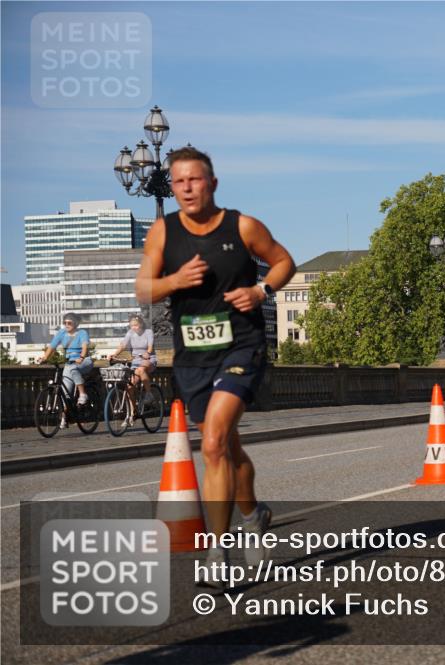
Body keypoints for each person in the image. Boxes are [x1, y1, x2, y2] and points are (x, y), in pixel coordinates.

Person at [135, 146, 295, 580]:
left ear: (213, 183)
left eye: (195, 179)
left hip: (241, 345)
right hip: (192, 357)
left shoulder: (242, 226)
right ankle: (253, 514)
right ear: (172, 186)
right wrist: (175, 280)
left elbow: (284, 261)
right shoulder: (162, 233)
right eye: (179, 181)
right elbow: (144, 289)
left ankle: (218, 552)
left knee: (212, 444)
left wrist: (261, 291)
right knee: (226, 448)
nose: (187, 188)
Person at [38, 313, 94, 425]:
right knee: (65, 392)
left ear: (76, 323)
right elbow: (52, 347)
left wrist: (81, 357)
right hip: (69, 363)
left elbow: (84, 346)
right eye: (65, 323)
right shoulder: (61, 333)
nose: (67, 325)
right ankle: (64, 417)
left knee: (74, 369)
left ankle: (83, 394)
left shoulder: (82, 333)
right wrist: (44, 358)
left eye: (69, 323)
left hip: (84, 361)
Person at [111, 314, 157, 423]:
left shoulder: (148, 332)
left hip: (149, 360)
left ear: (141, 324)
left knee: (141, 370)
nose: (134, 327)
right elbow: (123, 345)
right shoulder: (130, 333)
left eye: (136, 325)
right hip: (136, 361)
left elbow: (150, 345)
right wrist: (114, 354)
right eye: (131, 325)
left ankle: (149, 394)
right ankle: (133, 411)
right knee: (129, 386)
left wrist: (148, 352)